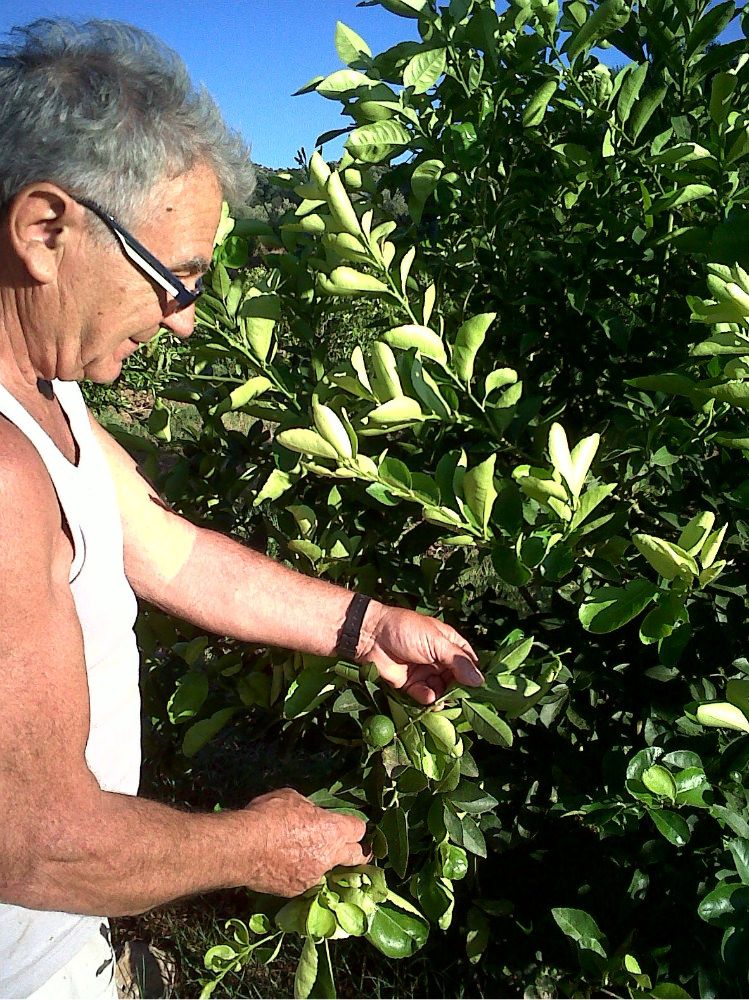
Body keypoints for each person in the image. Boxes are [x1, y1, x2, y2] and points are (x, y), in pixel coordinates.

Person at [0, 18, 483, 999]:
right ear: (46, 229)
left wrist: (368, 627)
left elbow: (167, 551)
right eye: (173, 279)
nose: (183, 320)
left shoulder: (50, 394)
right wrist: (253, 847)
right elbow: (34, 841)